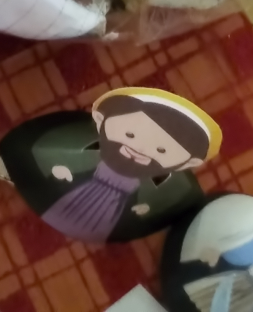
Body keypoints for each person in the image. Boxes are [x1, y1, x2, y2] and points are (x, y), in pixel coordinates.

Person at [40, 88, 221, 245]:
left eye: (161, 150)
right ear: (100, 120)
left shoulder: (179, 192)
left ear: (189, 163)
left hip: (113, 216)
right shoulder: (71, 146)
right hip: (69, 196)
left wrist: (144, 209)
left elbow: (163, 209)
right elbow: (46, 156)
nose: (140, 149)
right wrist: (59, 171)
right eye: (129, 135)